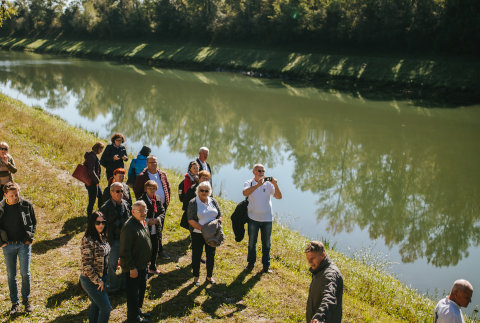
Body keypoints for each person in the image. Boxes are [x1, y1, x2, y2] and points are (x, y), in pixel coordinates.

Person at [0, 182, 36, 314]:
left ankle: (26, 300)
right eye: (12, 195)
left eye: (17, 194)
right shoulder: (1, 207)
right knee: (11, 275)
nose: (15, 197)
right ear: (5, 195)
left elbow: (33, 222)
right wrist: (1, 243)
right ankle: (15, 303)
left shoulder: (26, 205)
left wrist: (29, 238)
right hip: (8, 246)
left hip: (23, 244)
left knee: (25, 273)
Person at [243, 164, 282, 272]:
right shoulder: (249, 183)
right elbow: (244, 192)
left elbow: (279, 196)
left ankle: (266, 266)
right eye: (259, 171)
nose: (262, 173)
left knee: (266, 244)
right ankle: (250, 264)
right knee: (252, 243)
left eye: (263, 171)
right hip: (253, 218)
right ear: (254, 172)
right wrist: (257, 185)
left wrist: (275, 184)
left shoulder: (269, 184)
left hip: (267, 219)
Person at [120, 201, 152, 323]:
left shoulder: (142, 222)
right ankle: (133, 318)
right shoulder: (129, 226)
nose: (143, 213)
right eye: (140, 211)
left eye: (145, 211)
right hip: (133, 267)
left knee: (141, 289)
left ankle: (137, 311)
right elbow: (125, 250)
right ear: (133, 212)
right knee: (133, 293)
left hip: (142, 265)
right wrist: (132, 267)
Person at [187, 181, 222, 285]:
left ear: (209, 191)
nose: (204, 192)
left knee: (211, 255)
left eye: (206, 191)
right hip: (198, 233)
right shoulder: (193, 202)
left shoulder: (213, 201)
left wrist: (217, 224)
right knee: (197, 255)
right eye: (201, 190)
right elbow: (190, 220)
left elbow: (219, 214)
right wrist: (204, 229)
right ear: (198, 191)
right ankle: (196, 277)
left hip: (212, 234)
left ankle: (209, 277)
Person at [79, 211, 111, 323]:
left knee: (96, 305)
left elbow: (103, 254)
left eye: (103, 222)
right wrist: (98, 281)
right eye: (98, 222)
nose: (101, 225)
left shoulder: (102, 236)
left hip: (102, 276)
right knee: (106, 308)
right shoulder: (87, 240)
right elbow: (87, 265)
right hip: (91, 279)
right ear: (92, 223)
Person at [99, 182, 131, 293]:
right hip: (112, 241)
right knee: (111, 264)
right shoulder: (105, 208)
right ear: (111, 192)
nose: (120, 193)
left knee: (126, 262)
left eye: (122, 191)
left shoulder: (126, 204)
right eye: (117, 191)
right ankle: (113, 285)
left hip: (125, 239)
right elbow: (101, 226)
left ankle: (124, 284)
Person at [305, 241, 343, 323]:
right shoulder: (318, 269)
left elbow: (329, 297)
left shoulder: (330, 274)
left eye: (312, 259)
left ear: (323, 255)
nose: (309, 262)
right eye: (308, 259)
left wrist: (319, 317)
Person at [139, 180, 166, 275]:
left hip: (156, 228)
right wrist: (147, 221)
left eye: (154, 188)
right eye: (150, 188)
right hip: (145, 229)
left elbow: (162, 212)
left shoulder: (157, 199)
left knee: (155, 248)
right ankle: (144, 269)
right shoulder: (141, 200)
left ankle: (153, 267)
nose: (152, 190)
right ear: (146, 189)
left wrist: (157, 219)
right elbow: (137, 214)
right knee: (146, 250)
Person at [85, 142, 105, 216]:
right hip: (92, 182)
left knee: (100, 196)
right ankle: (89, 217)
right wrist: (97, 180)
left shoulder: (93, 155)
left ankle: (100, 213)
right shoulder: (92, 157)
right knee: (92, 200)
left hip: (94, 182)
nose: (101, 151)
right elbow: (91, 171)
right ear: (98, 148)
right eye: (101, 149)